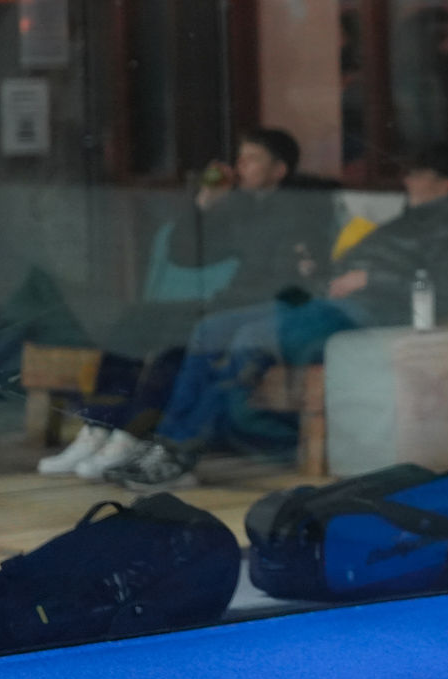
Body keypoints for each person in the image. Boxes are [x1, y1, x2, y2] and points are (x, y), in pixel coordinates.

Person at [107, 141, 448, 491]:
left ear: (445, 185)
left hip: (375, 316)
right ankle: (169, 443)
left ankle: (183, 452)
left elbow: (445, 287)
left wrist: (371, 277)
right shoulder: (406, 222)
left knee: (250, 339)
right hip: (328, 302)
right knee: (210, 329)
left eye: (418, 175)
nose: (408, 181)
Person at [40, 127, 331, 480]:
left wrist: (226, 304)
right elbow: (186, 254)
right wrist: (206, 203)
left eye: (252, 159)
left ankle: (129, 437)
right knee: (134, 321)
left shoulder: (301, 211)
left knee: (177, 348)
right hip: (222, 304)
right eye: (240, 157)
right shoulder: (241, 207)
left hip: (251, 309)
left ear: (279, 171)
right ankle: (98, 427)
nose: (240, 166)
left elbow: (291, 284)